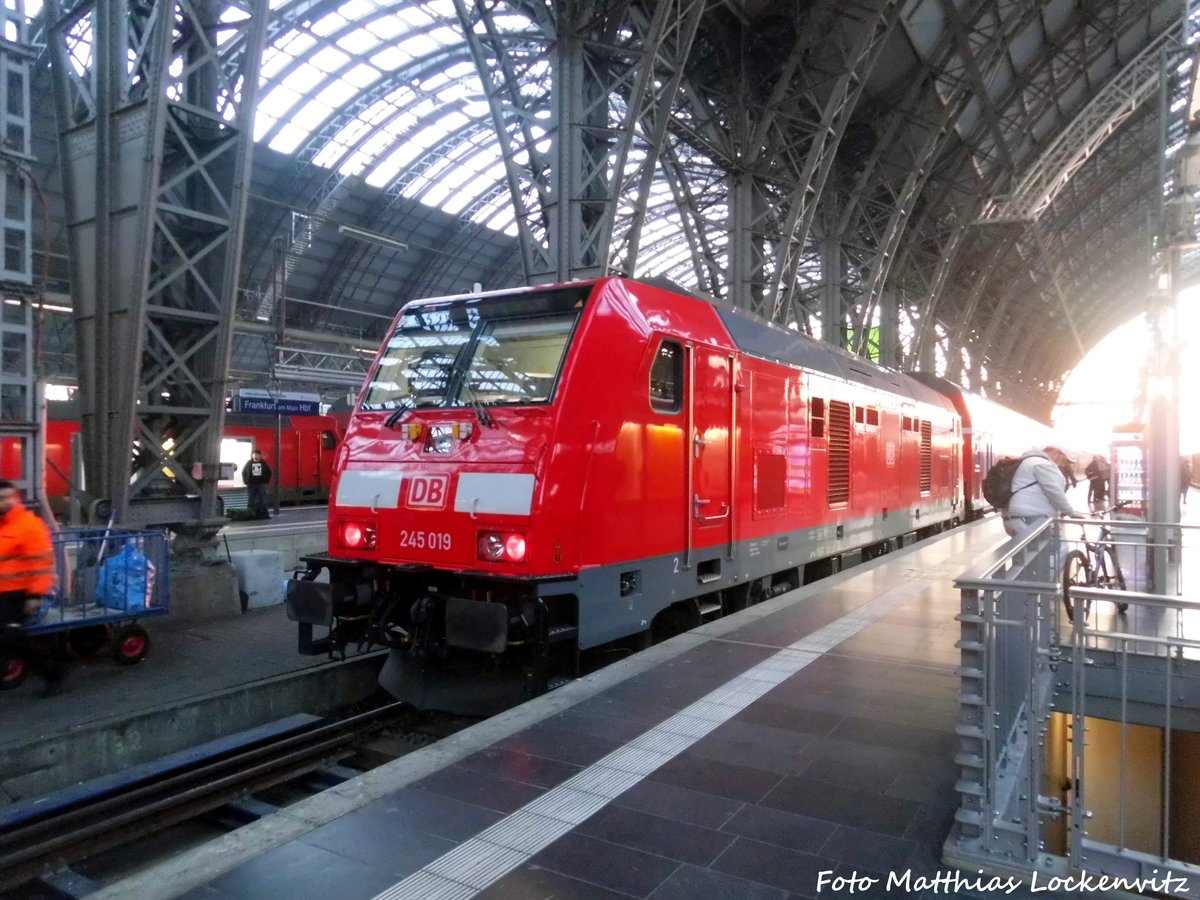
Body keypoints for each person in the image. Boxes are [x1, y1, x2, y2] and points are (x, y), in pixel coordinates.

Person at [0, 480, 61, 695]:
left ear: (15, 497)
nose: (3, 502)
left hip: (18, 594)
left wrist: (35, 595)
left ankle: (51, 672)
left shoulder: (29, 526)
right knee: (12, 639)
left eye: (7, 497)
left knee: (10, 637)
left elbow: (42, 564)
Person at [1002, 446, 1082, 537]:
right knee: (1053, 548)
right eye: (1063, 460)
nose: (1063, 464)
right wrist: (1071, 512)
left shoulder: (1028, 461)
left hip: (1017, 518)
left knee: (1030, 550)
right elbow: (1055, 491)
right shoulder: (1042, 464)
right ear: (1055, 452)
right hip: (1030, 519)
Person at [241, 449, 273, 519]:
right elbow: (244, 472)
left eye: (257, 455)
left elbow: (269, 472)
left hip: (261, 484)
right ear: (252, 456)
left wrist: (266, 481)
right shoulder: (249, 463)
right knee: (251, 500)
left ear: (260, 455)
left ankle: (264, 514)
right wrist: (246, 481)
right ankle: (249, 514)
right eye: (254, 455)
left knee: (262, 499)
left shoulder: (263, 463)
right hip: (251, 484)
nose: (255, 456)